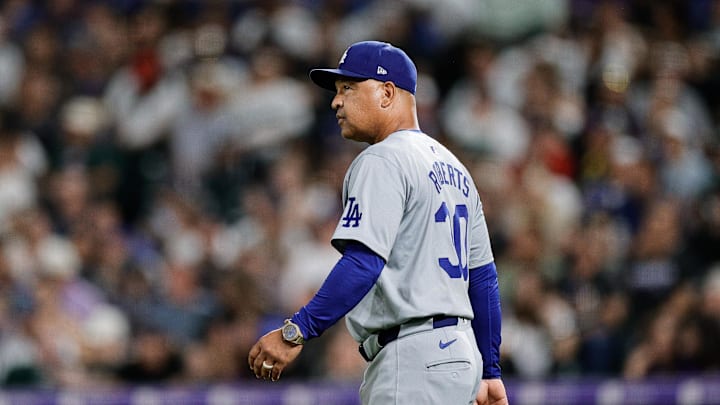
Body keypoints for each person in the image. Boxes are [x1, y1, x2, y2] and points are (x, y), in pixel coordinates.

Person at [248, 40, 508, 405]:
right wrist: (490, 371)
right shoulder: (456, 168)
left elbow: (363, 262)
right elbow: (483, 280)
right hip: (459, 357)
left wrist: (296, 331)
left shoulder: (382, 159)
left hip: (412, 358)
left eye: (348, 88)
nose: (336, 102)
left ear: (387, 92)